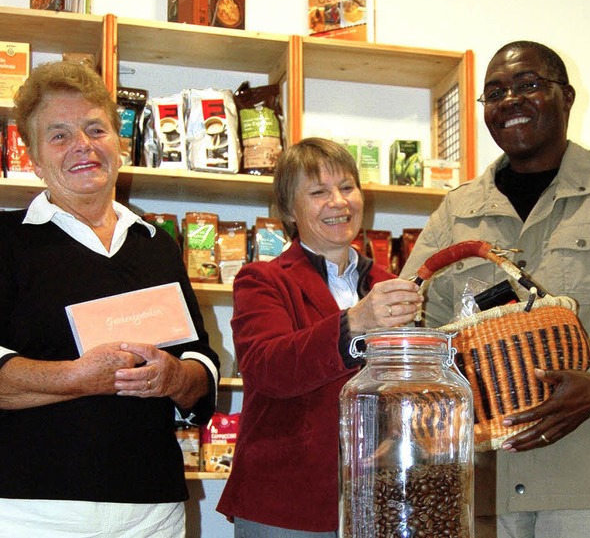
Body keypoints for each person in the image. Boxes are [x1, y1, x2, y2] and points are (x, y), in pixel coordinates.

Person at [400, 40, 590, 538]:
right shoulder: (457, 209)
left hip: (589, 476)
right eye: (494, 93)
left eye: (528, 85)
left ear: (566, 97)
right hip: (479, 484)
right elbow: (415, 319)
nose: (509, 100)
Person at [0, 61, 220, 537]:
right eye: (58, 136)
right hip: (32, 509)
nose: (82, 144)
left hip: (152, 509)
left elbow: (201, 359)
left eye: (95, 128)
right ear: (34, 158)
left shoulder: (156, 243)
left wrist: (176, 375)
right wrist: (80, 376)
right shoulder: (6, 242)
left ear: (117, 143)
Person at [216, 137, 423, 536]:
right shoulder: (262, 280)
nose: (338, 202)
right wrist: (353, 324)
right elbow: (265, 368)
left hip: (377, 498)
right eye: (318, 192)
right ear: (288, 210)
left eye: (347, 187)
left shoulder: (387, 284)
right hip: (286, 503)